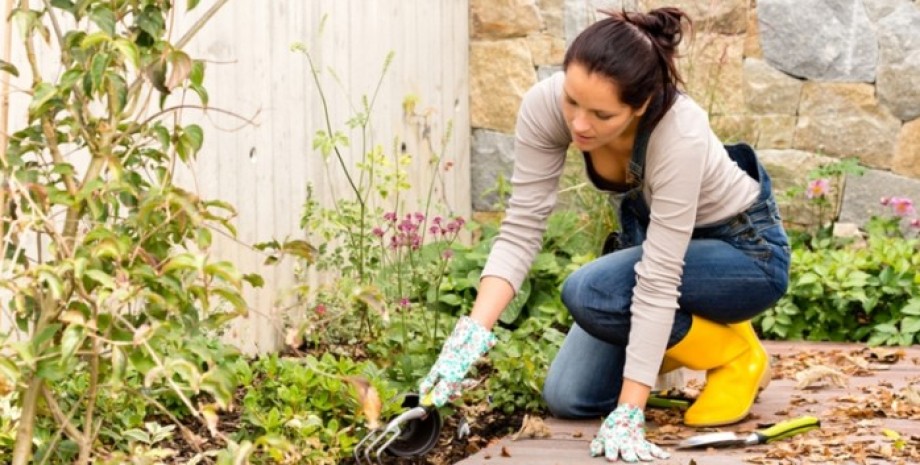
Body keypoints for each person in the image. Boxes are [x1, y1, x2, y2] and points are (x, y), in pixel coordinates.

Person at [419, 6, 791, 463]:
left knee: (592, 291)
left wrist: (630, 413)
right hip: (662, 254)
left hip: (745, 256)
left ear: (640, 105)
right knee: (570, 397)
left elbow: (657, 278)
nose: (579, 123)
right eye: (572, 100)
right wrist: (471, 336)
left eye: (601, 114)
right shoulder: (545, 106)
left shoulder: (680, 131)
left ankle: (735, 354)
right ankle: (702, 336)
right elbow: (520, 228)